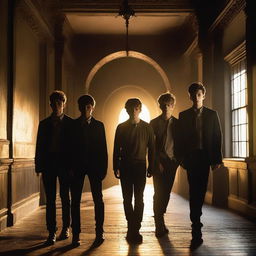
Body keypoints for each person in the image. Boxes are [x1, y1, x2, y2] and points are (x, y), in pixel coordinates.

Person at [178, 82, 223, 249]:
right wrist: (182, 158)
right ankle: (195, 224)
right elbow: (180, 139)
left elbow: (217, 136)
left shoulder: (212, 115)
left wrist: (217, 159)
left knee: (201, 190)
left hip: (205, 157)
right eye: (193, 95)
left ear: (203, 96)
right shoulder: (184, 115)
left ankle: (197, 216)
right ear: (189, 96)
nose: (196, 98)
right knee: (193, 190)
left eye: (199, 95)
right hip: (191, 158)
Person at [113, 98, 155, 244]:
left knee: (139, 198)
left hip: (140, 166)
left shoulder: (147, 128)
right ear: (126, 110)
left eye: (136, 108)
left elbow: (152, 149)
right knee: (127, 198)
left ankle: (135, 227)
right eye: (131, 108)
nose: (133, 111)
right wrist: (115, 166)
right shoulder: (121, 127)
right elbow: (116, 149)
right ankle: (131, 225)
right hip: (125, 166)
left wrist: (151, 167)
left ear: (140, 109)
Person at [35, 90, 73, 245]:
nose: (57, 106)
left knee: (65, 198)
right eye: (54, 103)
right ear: (50, 104)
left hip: (65, 164)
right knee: (50, 200)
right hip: (49, 164)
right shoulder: (44, 124)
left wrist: (73, 166)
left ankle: (66, 227)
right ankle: (51, 232)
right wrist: (38, 165)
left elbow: (74, 147)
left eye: (59, 103)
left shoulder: (71, 124)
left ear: (64, 104)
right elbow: (39, 146)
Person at [70, 94, 108, 247]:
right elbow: (69, 149)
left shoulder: (99, 126)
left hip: (94, 167)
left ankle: (99, 232)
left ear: (92, 108)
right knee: (75, 202)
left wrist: (103, 170)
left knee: (98, 200)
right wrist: (70, 168)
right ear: (79, 108)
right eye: (83, 106)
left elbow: (103, 149)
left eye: (88, 106)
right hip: (77, 167)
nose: (85, 109)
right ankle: (76, 235)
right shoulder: (72, 125)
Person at [150, 92, 180, 238]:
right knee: (158, 193)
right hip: (159, 163)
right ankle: (159, 223)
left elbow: (182, 144)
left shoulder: (178, 124)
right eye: (164, 105)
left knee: (166, 193)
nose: (166, 108)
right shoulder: (153, 123)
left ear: (173, 106)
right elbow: (151, 146)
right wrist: (156, 163)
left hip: (172, 163)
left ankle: (160, 216)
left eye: (169, 105)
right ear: (160, 106)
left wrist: (177, 161)